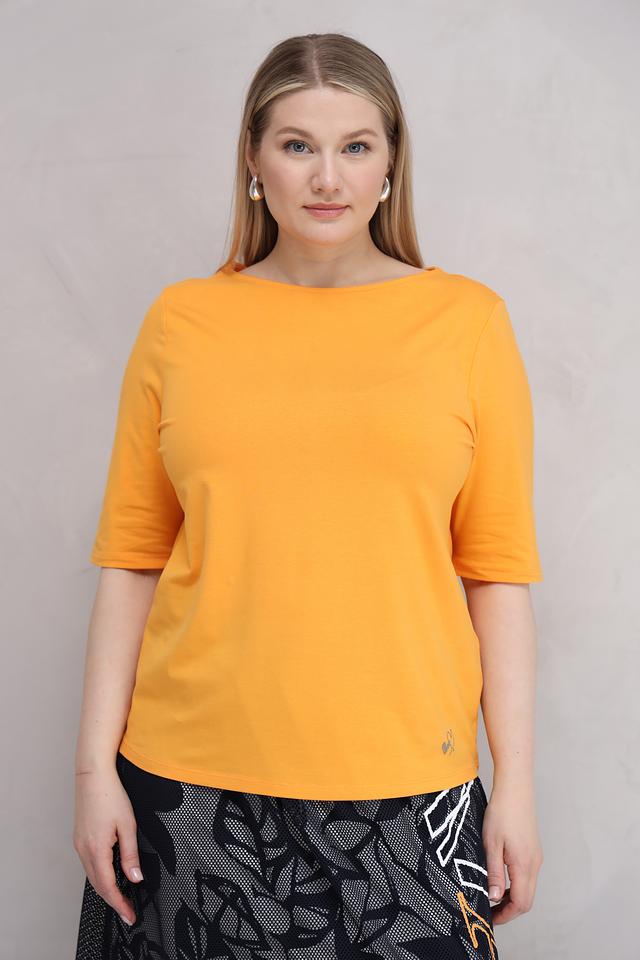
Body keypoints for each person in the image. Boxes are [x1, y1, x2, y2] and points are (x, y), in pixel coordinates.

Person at [74, 31, 544, 960]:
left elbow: (495, 574)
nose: (327, 177)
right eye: (298, 145)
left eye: (355, 145)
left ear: (390, 162)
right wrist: (93, 773)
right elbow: (133, 561)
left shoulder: (467, 324)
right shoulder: (182, 322)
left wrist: (517, 786)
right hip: (189, 791)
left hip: (412, 790)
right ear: (254, 161)